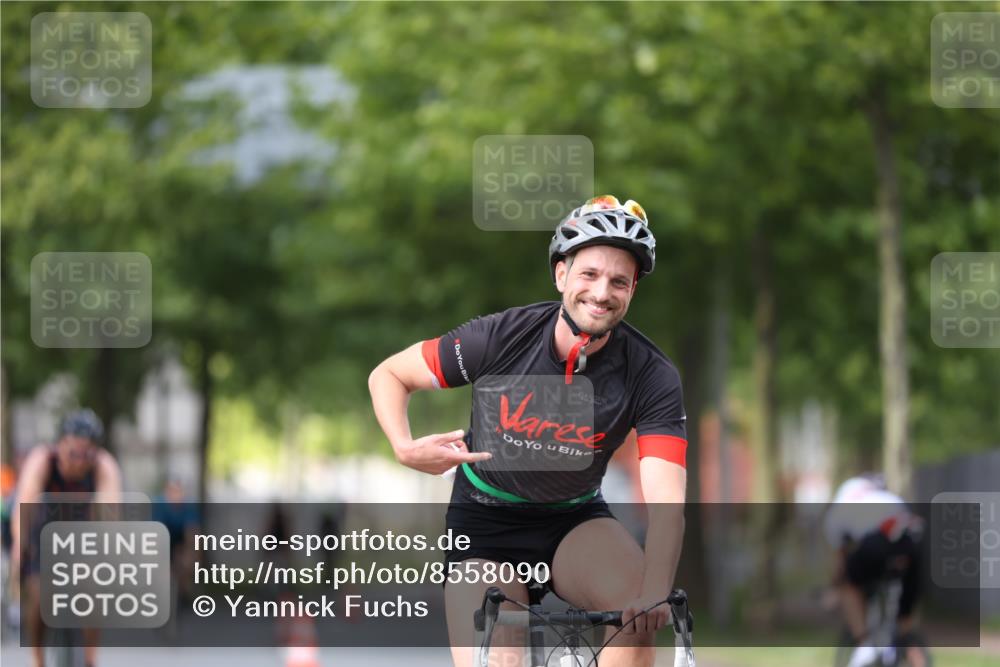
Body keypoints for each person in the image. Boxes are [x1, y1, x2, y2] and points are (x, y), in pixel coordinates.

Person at [369, 196, 687, 667]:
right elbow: (389, 375)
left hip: (575, 521)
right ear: (561, 274)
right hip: (484, 524)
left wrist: (654, 594)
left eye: (619, 281)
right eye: (589, 274)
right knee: (498, 654)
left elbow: (667, 503)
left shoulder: (651, 374)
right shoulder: (500, 337)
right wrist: (403, 447)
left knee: (635, 618)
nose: (602, 292)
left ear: (632, 290)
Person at [10, 408, 122, 667]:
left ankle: (90, 658)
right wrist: (20, 547)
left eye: (86, 455)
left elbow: (110, 516)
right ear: (60, 445)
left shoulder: (104, 466)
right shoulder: (42, 460)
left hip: (83, 531)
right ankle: (37, 658)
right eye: (73, 453)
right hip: (43, 530)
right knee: (38, 595)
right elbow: (24, 507)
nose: (79, 462)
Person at [824, 474, 926, 667]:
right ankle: (917, 658)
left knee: (848, 586)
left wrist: (833, 589)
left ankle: (864, 645)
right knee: (905, 620)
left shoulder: (837, 511)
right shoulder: (890, 498)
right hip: (912, 543)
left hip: (876, 544)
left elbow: (840, 562)